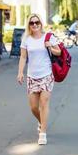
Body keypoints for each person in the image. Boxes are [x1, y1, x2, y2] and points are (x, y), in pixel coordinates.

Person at [17, 13, 61, 145]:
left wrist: (50, 46)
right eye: (32, 23)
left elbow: (59, 52)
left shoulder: (48, 37)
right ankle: (42, 122)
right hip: (32, 76)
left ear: (41, 24)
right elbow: (23, 57)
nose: (35, 25)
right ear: (29, 25)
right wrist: (20, 72)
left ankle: (43, 133)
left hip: (47, 75)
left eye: (37, 22)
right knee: (34, 107)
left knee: (44, 103)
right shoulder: (26, 39)